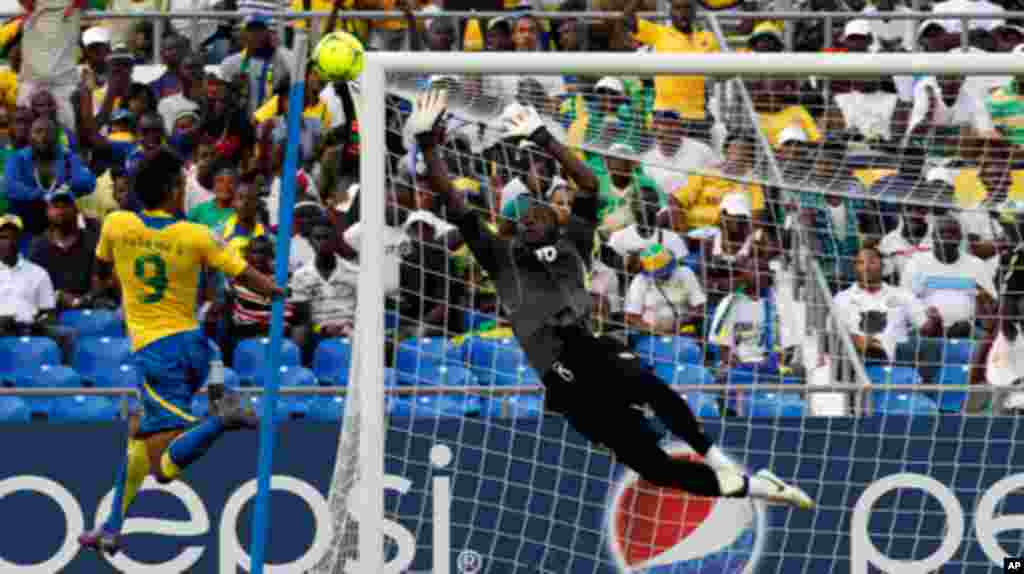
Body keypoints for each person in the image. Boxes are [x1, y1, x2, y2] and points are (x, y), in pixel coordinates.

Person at [411, 89, 813, 509]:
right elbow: (453, 201)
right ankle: (755, 487)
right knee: (653, 468)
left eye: (538, 213)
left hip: (585, 347)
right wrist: (426, 145)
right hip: (561, 383)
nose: (529, 218)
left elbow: (588, 183)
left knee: (652, 389)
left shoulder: (574, 243)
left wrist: (544, 137)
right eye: (522, 216)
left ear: (557, 221)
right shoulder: (501, 257)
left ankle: (718, 460)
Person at [78, 147, 284, 555]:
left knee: (163, 469)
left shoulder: (116, 224)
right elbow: (247, 276)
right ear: (174, 190)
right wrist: (277, 291)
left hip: (158, 353)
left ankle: (221, 419)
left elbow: (100, 272)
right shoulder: (196, 235)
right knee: (139, 437)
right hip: (194, 346)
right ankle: (112, 527)